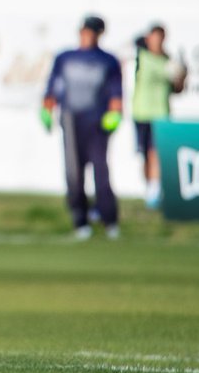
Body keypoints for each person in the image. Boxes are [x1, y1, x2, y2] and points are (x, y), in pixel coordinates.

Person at [41, 16, 124, 239]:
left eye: (92, 31)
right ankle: (80, 220)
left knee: (100, 170)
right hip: (71, 119)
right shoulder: (65, 58)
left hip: (97, 121)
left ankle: (109, 220)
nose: (87, 35)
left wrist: (115, 114)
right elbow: (53, 87)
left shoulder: (108, 61)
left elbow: (116, 93)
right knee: (73, 173)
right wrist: (46, 110)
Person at [131, 24, 186, 210]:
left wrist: (181, 78)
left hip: (161, 114)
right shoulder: (141, 56)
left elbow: (177, 89)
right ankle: (149, 189)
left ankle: (155, 192)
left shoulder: (168, 61)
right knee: (145, 155)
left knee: (156, 153)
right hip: (141, 113)